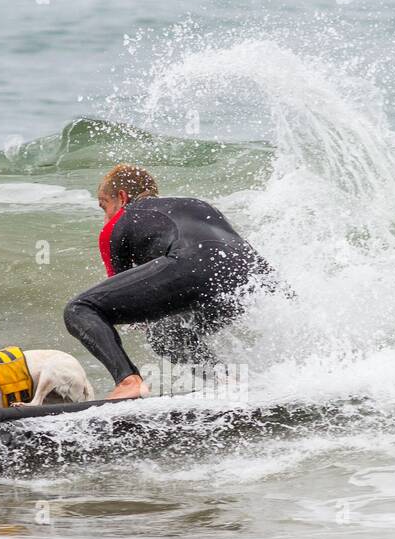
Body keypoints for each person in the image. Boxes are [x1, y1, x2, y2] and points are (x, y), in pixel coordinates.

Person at [63, 164, 274, 399]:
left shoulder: (121, 220)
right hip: (248, 277)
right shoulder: (198, 205)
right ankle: (226, 379)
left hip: (195, 264)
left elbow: (119, 296)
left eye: (105, 206)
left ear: (122, 197)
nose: (106, 217)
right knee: (166, 334)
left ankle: (128, 381)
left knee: (80, 309)